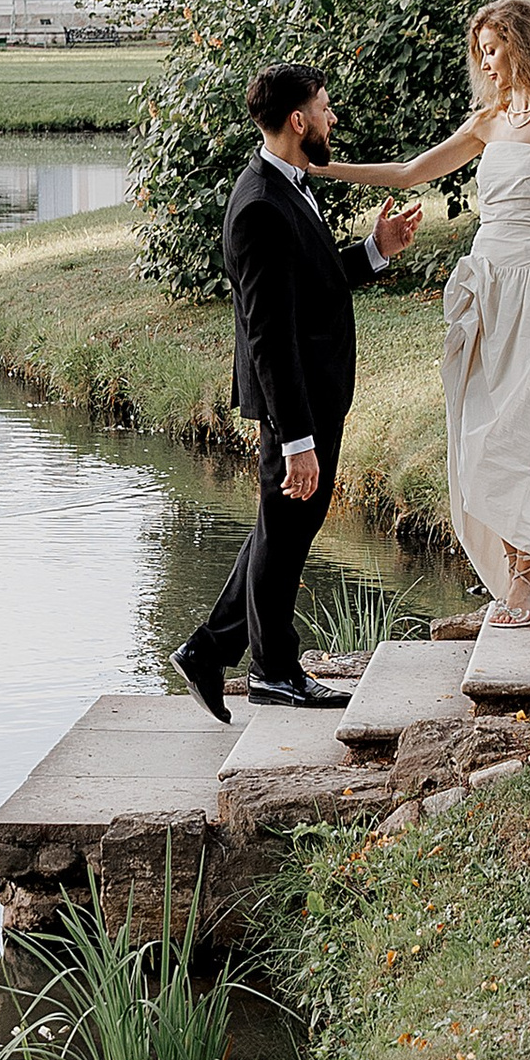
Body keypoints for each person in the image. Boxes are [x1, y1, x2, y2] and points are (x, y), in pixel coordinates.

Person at [322, 0, 530, 624]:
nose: (485, 62)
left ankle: (529, 575)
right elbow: (409, 172)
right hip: (487, 289)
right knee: (479, 429)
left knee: (529, 426)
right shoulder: (487, 122)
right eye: (480, 52)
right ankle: (520, 565)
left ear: (523, 46)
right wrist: (325, 167)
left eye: (493, 49)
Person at [171, 65, 422, 720]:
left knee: (281, 528)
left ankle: (209, 651)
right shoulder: (259, 204)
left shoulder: (286, 185)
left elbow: (312, 283)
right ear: (299, 120)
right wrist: (297, 439)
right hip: (295, 401)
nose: (333, 119)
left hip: (314, 394)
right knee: (285, 530)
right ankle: (272, 671)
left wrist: (375, 250)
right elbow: (268, 335)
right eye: (326, 108)